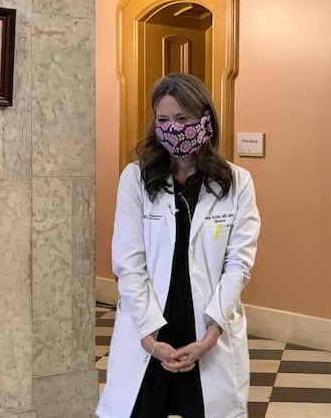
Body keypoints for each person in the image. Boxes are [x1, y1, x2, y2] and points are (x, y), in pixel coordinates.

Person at [96, 73, 261, 418]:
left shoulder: (237, 183)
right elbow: (128, 262)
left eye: (183, 118)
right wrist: (149, 339)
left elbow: (238, 264)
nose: (173, 128)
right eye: (163, 120)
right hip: (150, 326)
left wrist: (212, 333)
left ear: (205, 119)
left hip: (206, 327)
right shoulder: (136, 178)